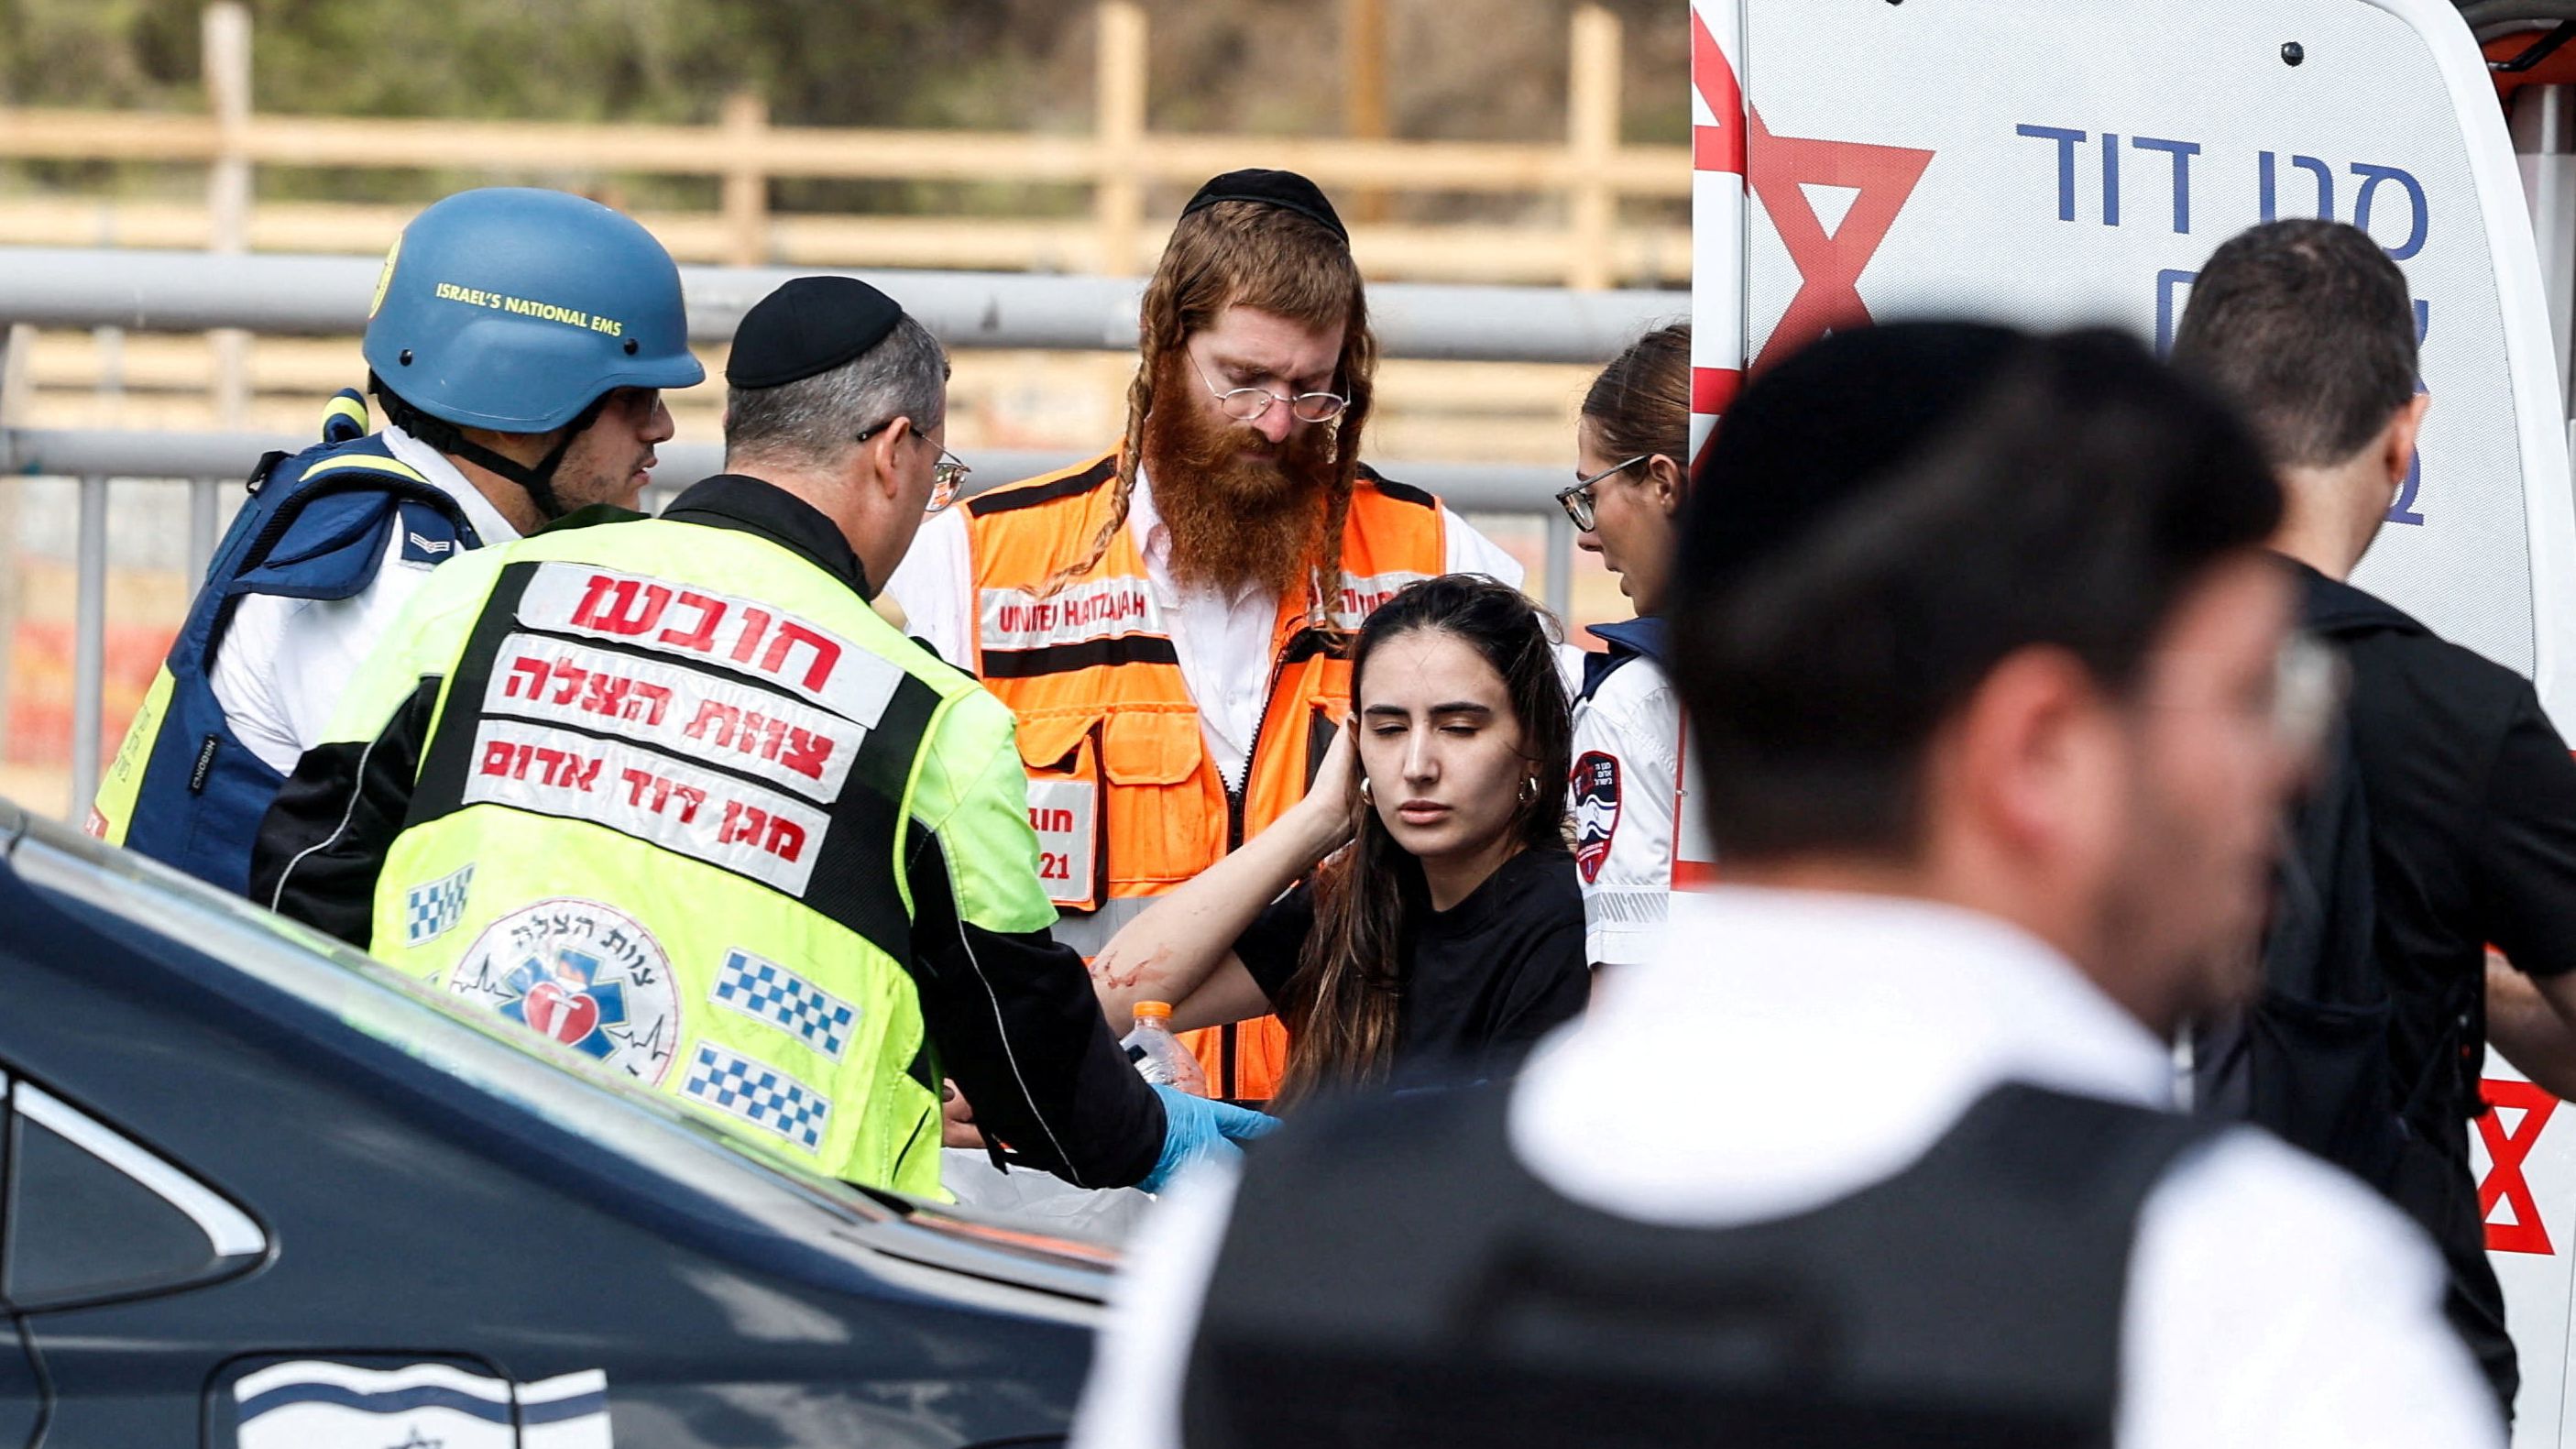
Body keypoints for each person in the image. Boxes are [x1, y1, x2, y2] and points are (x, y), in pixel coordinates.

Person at [1070, 324, 2501, 1449]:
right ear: (2039, 749)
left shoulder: (1265, 1256)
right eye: (2253, 690)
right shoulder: (2249, 1307)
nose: (2286, 768)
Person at [249, 276, 1271, 1199]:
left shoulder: (485, 591)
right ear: (892, 452)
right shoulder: (932, 724)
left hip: (441, 1177)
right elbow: (1023, 1047)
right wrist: (1150, 1138)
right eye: (937, 469)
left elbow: (306, 878)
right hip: (757, 1257)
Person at [882, 168, 1524, 1103]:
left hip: (1320, 1166)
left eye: (1315, 392)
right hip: (1058, 1177)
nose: (1276, 422)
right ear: (1164, 342)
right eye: (1244, 380)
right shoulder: (974, 569)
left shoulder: (1436, 567)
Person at [2174, 217, 2576, 1417]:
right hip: (2384, 1368)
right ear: (2402, 435)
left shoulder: (2066, 675)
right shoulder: (2461, 716)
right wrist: (2455, 974)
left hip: (2105, 1334)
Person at [89, 187, 701, 895]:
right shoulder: (389, 582)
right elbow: (471, 872)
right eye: (633, 399)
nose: (661, 428)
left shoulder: (409, 513)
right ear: (524, 393)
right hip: (212, 992)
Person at [1089, 574, 1588, 1103]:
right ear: (1354, 743)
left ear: (1534, 741)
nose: (1417, 767)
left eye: (1459, 727)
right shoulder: (1361, 900)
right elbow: (1115, 1000)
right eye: (1389, 729)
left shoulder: (1562, 917)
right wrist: (1320, 818)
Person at [1558, 322, 1691, 969]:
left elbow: (1628, 989)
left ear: (1662, 483)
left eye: (1591, 494)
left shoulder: (1633, 704)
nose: (1586, 536)